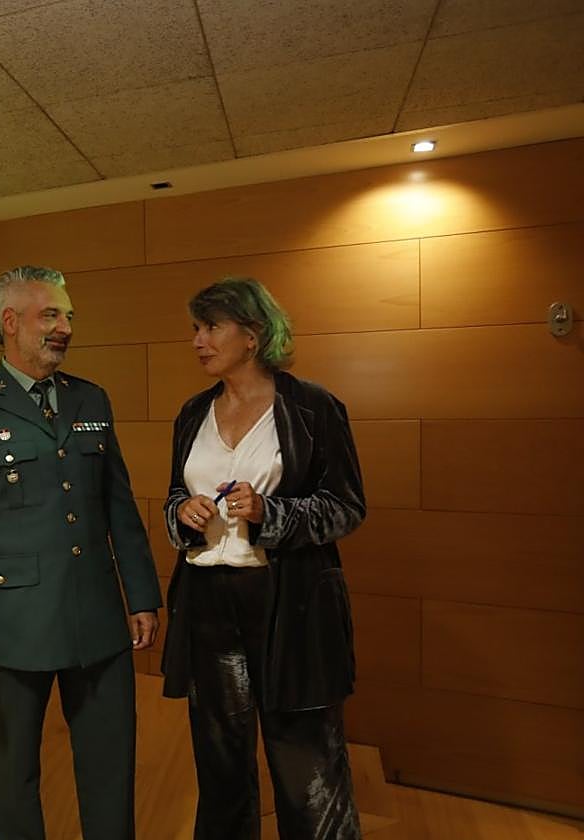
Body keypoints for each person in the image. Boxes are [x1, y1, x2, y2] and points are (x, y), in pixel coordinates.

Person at [0, 265, 162, 839]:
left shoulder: (90, 398)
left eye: (68, 316)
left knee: (110, 761)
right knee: (14, 768)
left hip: (97, 615)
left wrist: (141, 596)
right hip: (15, 624)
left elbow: (119, 507)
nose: (65, 328)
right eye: (50, 315)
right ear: (10, 322)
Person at [160, 277, 365, 839]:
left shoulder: (314, 408)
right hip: (206, 604)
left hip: (289, 605)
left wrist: (269, 513)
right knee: (220, 765)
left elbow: (346, 506)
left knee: (306, 769)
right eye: (195, 328)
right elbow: (174, 495)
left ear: (252, 335)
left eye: (211, 327)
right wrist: (182, 512)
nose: (198, 341)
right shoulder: (193, 413)